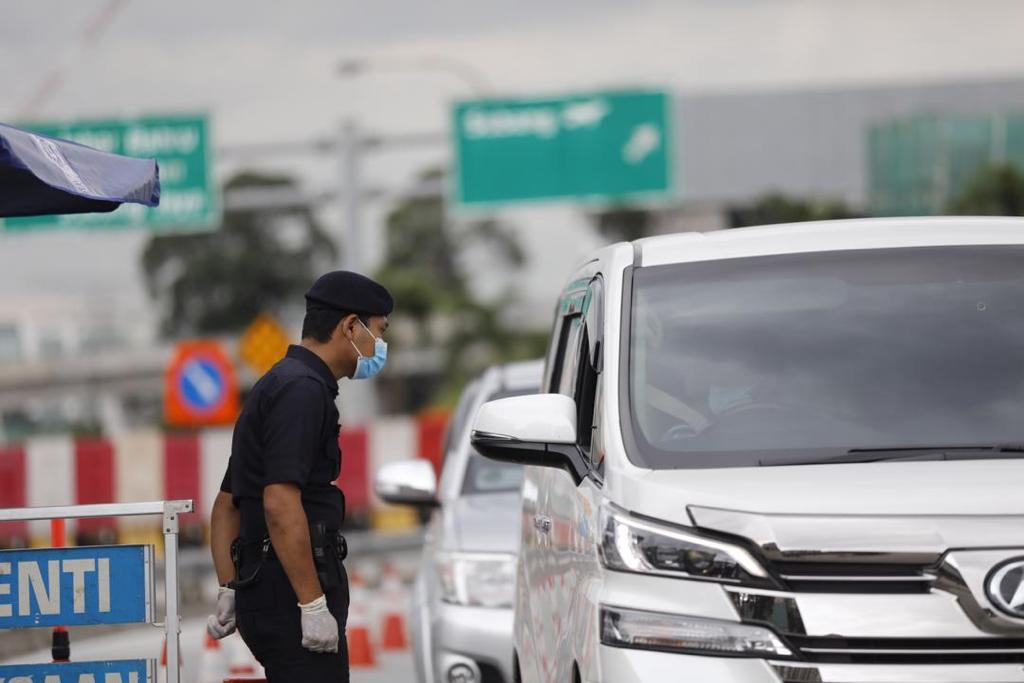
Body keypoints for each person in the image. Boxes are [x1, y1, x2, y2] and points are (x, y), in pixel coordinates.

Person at [205, 271, 393, 682]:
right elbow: (279, 500)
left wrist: (230, 588)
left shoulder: (276, 383)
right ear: (349, 326)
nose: (380, 346)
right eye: (378, 332)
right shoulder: (304, 392)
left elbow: (227, 505)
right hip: (290, 598)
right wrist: (312, 606)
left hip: (268, 592)